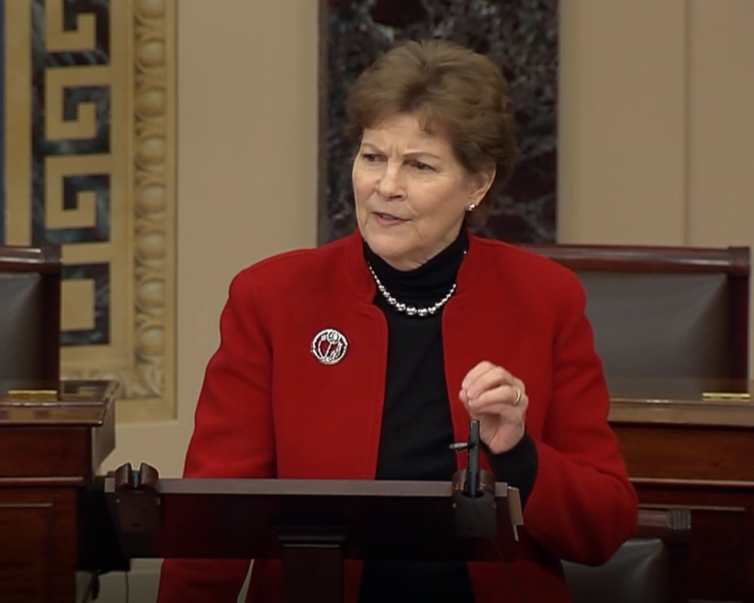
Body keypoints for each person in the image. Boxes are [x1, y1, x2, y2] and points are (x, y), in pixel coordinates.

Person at [156, 38, 638, 603]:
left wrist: (519, 455)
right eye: (372, 157)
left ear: (478, 183)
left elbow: (604, 527)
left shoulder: (546, 298)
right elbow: (216, 512)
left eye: (420, 165)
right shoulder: (271, 297)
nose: (386, 186)